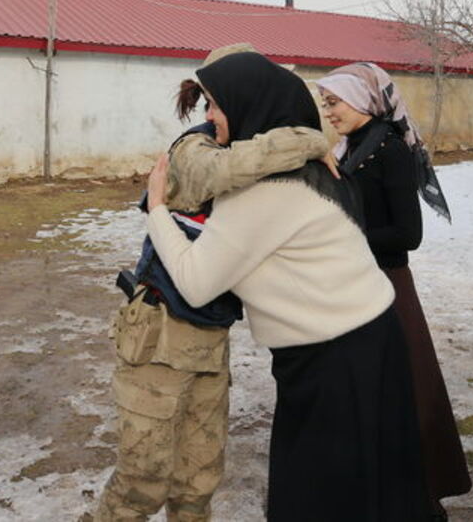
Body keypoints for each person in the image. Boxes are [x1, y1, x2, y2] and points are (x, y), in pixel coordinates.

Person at [145, 51, 433, 520]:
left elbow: (196, 282)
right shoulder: (310, 164)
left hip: (336, 359)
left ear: (247, 104)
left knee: (321, 496)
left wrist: (157, 208)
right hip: (369, 339)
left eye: (215, 105)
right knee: (374, 487)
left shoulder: (262, 191)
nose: (209, 117)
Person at [96, 43, 333, 521]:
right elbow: (226, 171)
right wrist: (313, 141)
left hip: (210, 336)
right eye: (207, 102)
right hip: (161, 336)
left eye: (217, 103)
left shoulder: (265, 163)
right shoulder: (194, 150)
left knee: (197, 480)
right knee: (143, 480)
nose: (208, 114)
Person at [316, 62, 469, 517]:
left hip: (388, 290)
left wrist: (344, 235)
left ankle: (419, 496)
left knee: (407, 393)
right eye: (325, 104)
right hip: (358, 286)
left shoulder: (389, 148)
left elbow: (407, 234)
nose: (329, 112)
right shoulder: (351, 146)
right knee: (368, 395)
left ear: (362, 98)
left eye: (334, 102)